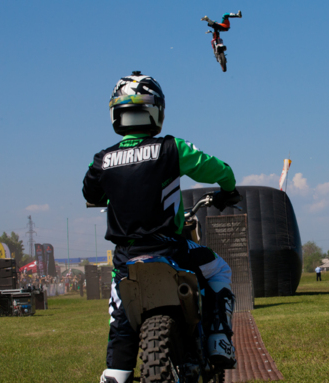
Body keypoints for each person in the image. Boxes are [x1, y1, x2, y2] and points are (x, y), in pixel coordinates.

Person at [84, 71, 242, 383]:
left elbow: (91, 193)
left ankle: (116, 373)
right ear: (157, 111)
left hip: (126, 258)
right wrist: (228, 188)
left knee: (121, 318)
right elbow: (219, 169)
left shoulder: (102, 160)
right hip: (172, 249)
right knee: (219, 270)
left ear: (116, 115)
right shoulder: (172, 148)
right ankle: (218, 339)